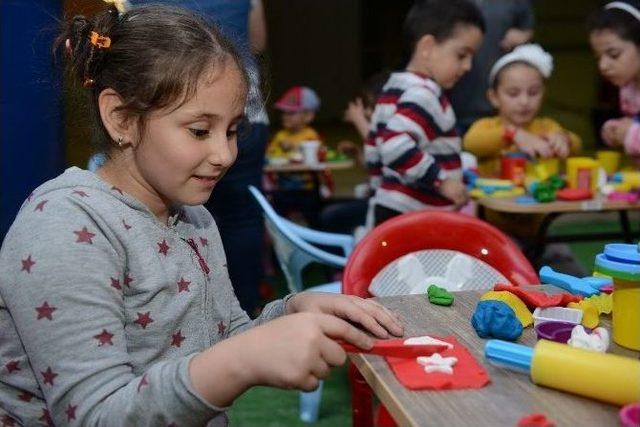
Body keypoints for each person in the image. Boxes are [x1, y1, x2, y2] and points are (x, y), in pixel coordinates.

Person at [0, 5, 404, 425]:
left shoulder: (194, 218)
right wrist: (240, 362)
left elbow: (222, 338)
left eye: (232, 130)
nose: (225, 154)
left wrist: (291, 311)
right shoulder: (66, 226)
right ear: (121, 117)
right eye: (199, 131)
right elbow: (95, 415)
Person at [365, 0, 485, 227]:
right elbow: (394, 146)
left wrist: (378, 191)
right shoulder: (426, 95)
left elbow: (374, 149)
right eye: (461, 55)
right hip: (416, 217)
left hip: (388, 210)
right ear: (427, 47)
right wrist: (443, 182)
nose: (468, 66)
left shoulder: (392, 87)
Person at [464, 44, 582, 176]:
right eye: (513, 94)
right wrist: (514, 135)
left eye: (533, 93)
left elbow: (577, 146)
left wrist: (564, 139)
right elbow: (471, 143)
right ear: (494, 97)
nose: (524, 102)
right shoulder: (487, 126)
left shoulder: (546, 127)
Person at [450, 0, 535, 133]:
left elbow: (527, 30)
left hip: (501, 110)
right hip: (453, 105)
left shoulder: (517, 4)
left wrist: (524, 36)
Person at [589, 0, 640, 166]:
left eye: (614, 54)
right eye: (598, 57)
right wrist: (617, 129)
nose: (602, 66)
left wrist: (631, 135)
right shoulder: (628, 88)